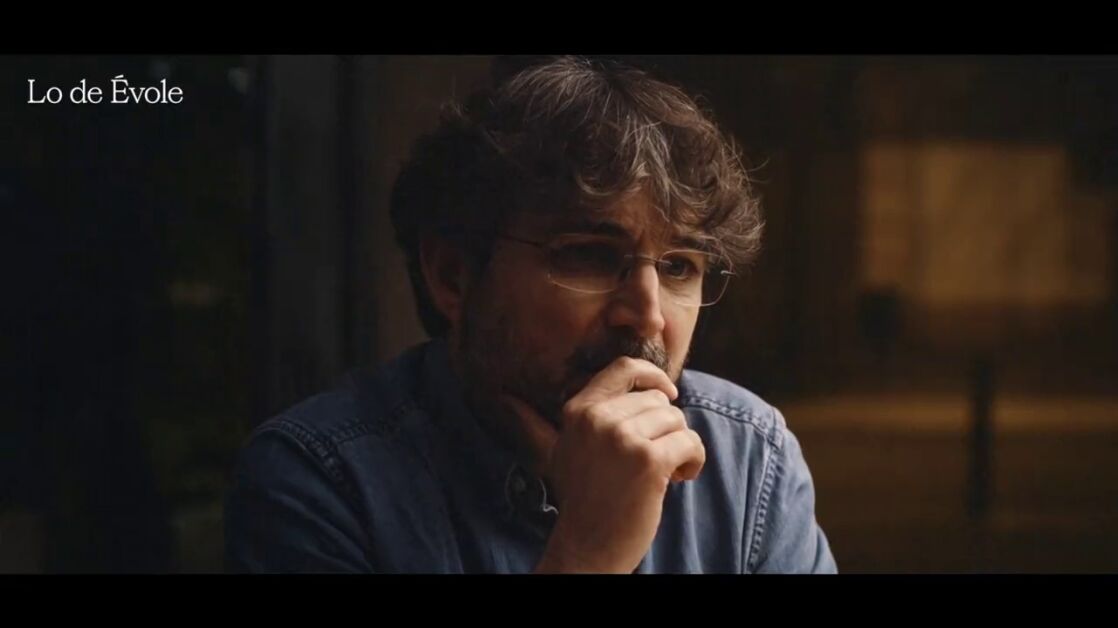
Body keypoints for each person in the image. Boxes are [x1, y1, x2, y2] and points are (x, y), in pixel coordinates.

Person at [224, 55, 837, 574]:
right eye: (591, 256)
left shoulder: (748, 461)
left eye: (679, 266)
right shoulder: (318, 483)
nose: (647, 316)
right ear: (453, 276)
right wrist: (589, 553)